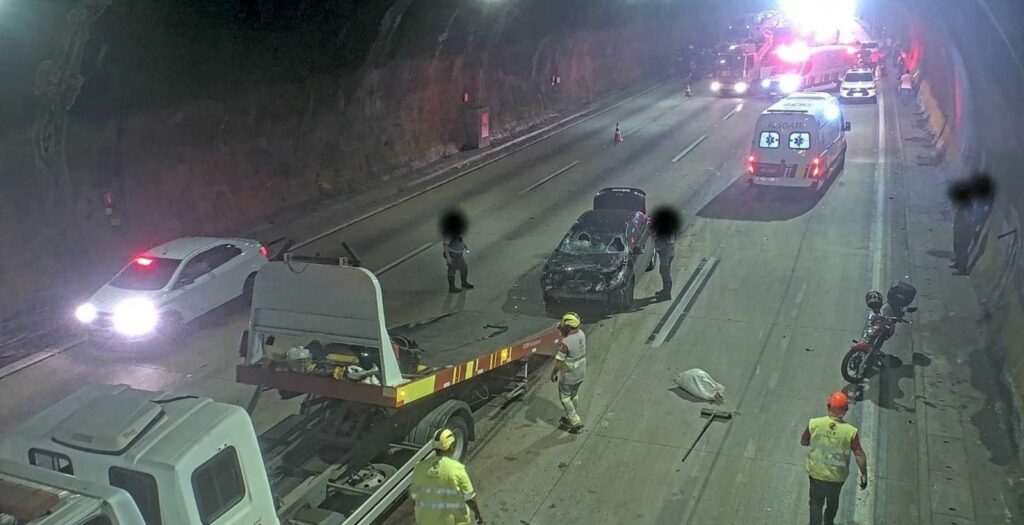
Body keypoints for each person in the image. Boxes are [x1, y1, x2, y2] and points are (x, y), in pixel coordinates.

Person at [801, 391, 868, 525]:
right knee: (833, 501)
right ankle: (829, 521)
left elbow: (804, 441)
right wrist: (864, 475)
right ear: (845, 410)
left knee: (816, 503)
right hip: (837, 477)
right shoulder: (850, 432)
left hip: (816, 474)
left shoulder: (814, 423)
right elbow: (859, 453)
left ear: (828, 406)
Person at [409, 428, 484, 525]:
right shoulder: (456, 469)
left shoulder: (419, 467)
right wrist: (478, 513)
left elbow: (413, 495)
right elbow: (470, 498)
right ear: (452, 447)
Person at [551, 312, 586, 432]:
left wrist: (554, 373)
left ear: (569, 327)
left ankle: (574, 420)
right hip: (581, 372)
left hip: (569, 375)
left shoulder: (566, 342)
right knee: (574, 395)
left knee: (565, 397)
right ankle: (570, 416)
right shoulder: (581, 334)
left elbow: (559, 361)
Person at [952, 203, 973, 274]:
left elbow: (967, 215)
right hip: (960, 228)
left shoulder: (966, 202)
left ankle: (962, 269)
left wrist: (972, 227)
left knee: (962, 248)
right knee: (958, 247)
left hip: (964, 230)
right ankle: (958, 263)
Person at [655, 231, 676, 300]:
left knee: (665, 273)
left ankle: (667, 294)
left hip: (667, 250)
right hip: (668, 249)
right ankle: (665, 290)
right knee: (662, 271)